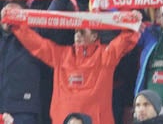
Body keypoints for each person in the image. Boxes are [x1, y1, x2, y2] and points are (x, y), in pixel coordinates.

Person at [10, 16, 138, 124]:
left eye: (82, 32)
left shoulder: (105, 56)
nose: (77, 35)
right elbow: (38, 45)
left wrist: (130, 18)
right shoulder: (61, 56)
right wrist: (17, 25)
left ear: (94, 36)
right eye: (76, 32)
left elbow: (126, 38)